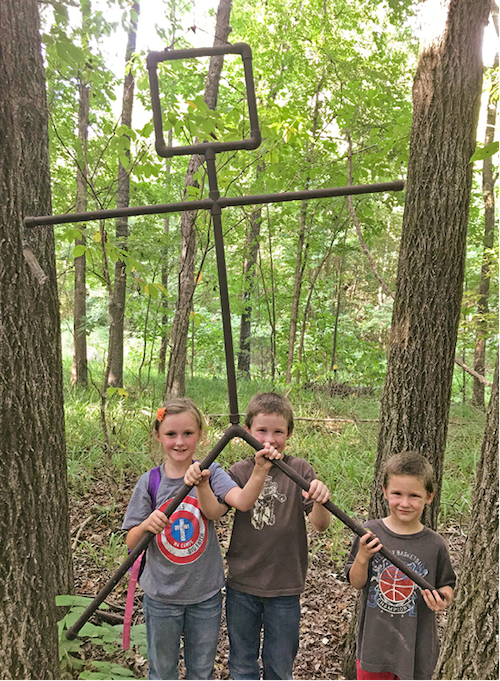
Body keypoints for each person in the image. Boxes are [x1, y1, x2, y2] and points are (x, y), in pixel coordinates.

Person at [122, 397, 281, 681]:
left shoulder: (212, 472)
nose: (179, 442)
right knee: (162, 671)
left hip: (205, 595)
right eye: (171, 434)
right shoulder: (150, 482)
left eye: (188, 433)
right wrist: (147, 524)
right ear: (158, 436)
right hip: (161, 596)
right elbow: (132, 541)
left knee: (201, 671)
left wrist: (259, 471)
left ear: (200, 435)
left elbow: (241, 502)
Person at [225, 392, 331, 681]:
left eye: (278, 432)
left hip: (285, 586)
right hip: (242, 583)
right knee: (242, 662)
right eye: (261, 431)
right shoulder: (239, 471)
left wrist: (320, 500)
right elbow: (217, 510)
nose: (270, 439)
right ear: (247, 432)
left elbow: (320, 525)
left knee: (280, 665)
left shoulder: (300, 470)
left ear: (289, 434)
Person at [344, 451, 456, 681]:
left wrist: (442, 599)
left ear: (429, 496)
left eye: (414, 495)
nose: (405, 503)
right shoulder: (369, 532)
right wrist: (363, 556)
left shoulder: (435, 544)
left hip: (416, 651)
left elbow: (447, 587)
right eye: (397, 494)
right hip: (374, 649)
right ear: (384, 492)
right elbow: (356, 582)